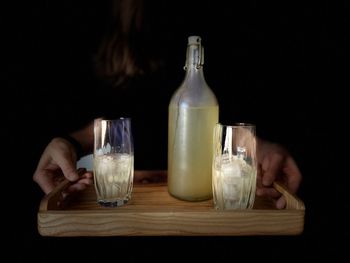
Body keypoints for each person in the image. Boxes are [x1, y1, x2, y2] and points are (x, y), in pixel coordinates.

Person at [32, 0, 302, 209]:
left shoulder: (222, 16)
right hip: (129, 194)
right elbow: (101, 121)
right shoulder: (101, 17)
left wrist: (258, 148)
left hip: (217, 196)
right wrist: (68, 142)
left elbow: (239, 103)